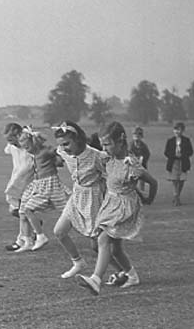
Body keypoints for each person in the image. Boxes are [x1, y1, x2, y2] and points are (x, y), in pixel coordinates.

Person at [75, 121, 158, 296]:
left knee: (104, 239)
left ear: (120, 141)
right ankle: (132, 275)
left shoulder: (131, 164)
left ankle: (95, 280)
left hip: (124, 208)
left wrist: (148, 198)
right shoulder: (109, 159)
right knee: (111, 248)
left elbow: (153, 182)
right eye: (103, 144)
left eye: (108, 144)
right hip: (110, 204)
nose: (105, 148)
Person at [53, 121, 112, 278]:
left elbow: (111, 177)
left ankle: (126, 271)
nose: (64, 147)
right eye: (61, 144)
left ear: (78, 139)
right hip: (76, 196)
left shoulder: (96, 156)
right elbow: (58, 156)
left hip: (94, 199)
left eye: (67, 143)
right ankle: (78, 262)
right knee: (59, 231)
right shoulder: (64, 152)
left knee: (96, 245)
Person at [15, 126, 69, 252]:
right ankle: (27, 240)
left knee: (28, 210)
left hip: (48, 184)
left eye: (27, 147)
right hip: (38, 183)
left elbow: (58, 153)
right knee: (22, 210)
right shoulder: (35, 154)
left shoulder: (45, 151)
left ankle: (40, 236)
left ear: (33, 143)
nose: (26, 150)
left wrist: (58, 159)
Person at [2, 123, 35, 251]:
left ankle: (22, 240)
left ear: (18, 135)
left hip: (28, 183)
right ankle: (33, 225)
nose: (10, 143)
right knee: (16, 210)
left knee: (22, 211)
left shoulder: (28, 148)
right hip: (17, 182)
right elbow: (7, 149)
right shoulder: (13, 147)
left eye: (11, 139)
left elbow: (27, 167)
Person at [164, 122, 194, 206]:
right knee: (174, 180)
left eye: (179, 129)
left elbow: (190, 152)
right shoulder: (170, 141)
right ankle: (176, 196)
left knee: (181, 180)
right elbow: (166, 152)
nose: (177, 131)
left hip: (183, 163)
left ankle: (177, 196)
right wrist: (173, 155)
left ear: (182, 131)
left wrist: (183, 155)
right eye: (175, 129)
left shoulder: (186, 140)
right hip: (173, 162)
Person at [129, 126, 151, 191]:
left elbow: (147, 154)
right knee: (131, 183)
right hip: (132, 167)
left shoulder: (144, 146)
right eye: (135, 134)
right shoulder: (130, 145)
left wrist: (142, 159)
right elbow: (128, 154)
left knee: (142, 183)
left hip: (142, 166)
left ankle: (142, 197)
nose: (137, 136)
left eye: (139, 134)